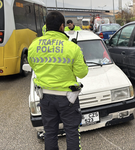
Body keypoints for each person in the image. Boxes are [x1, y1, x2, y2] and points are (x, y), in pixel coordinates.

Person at [28, 11, 88, 150]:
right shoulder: (72, 47)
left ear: (46, 26)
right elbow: (82, 73)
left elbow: (33, 65)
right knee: (72, 132)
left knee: (50, 133)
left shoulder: (34, 45)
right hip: (68, 99)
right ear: (62, 26)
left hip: (45, 97)